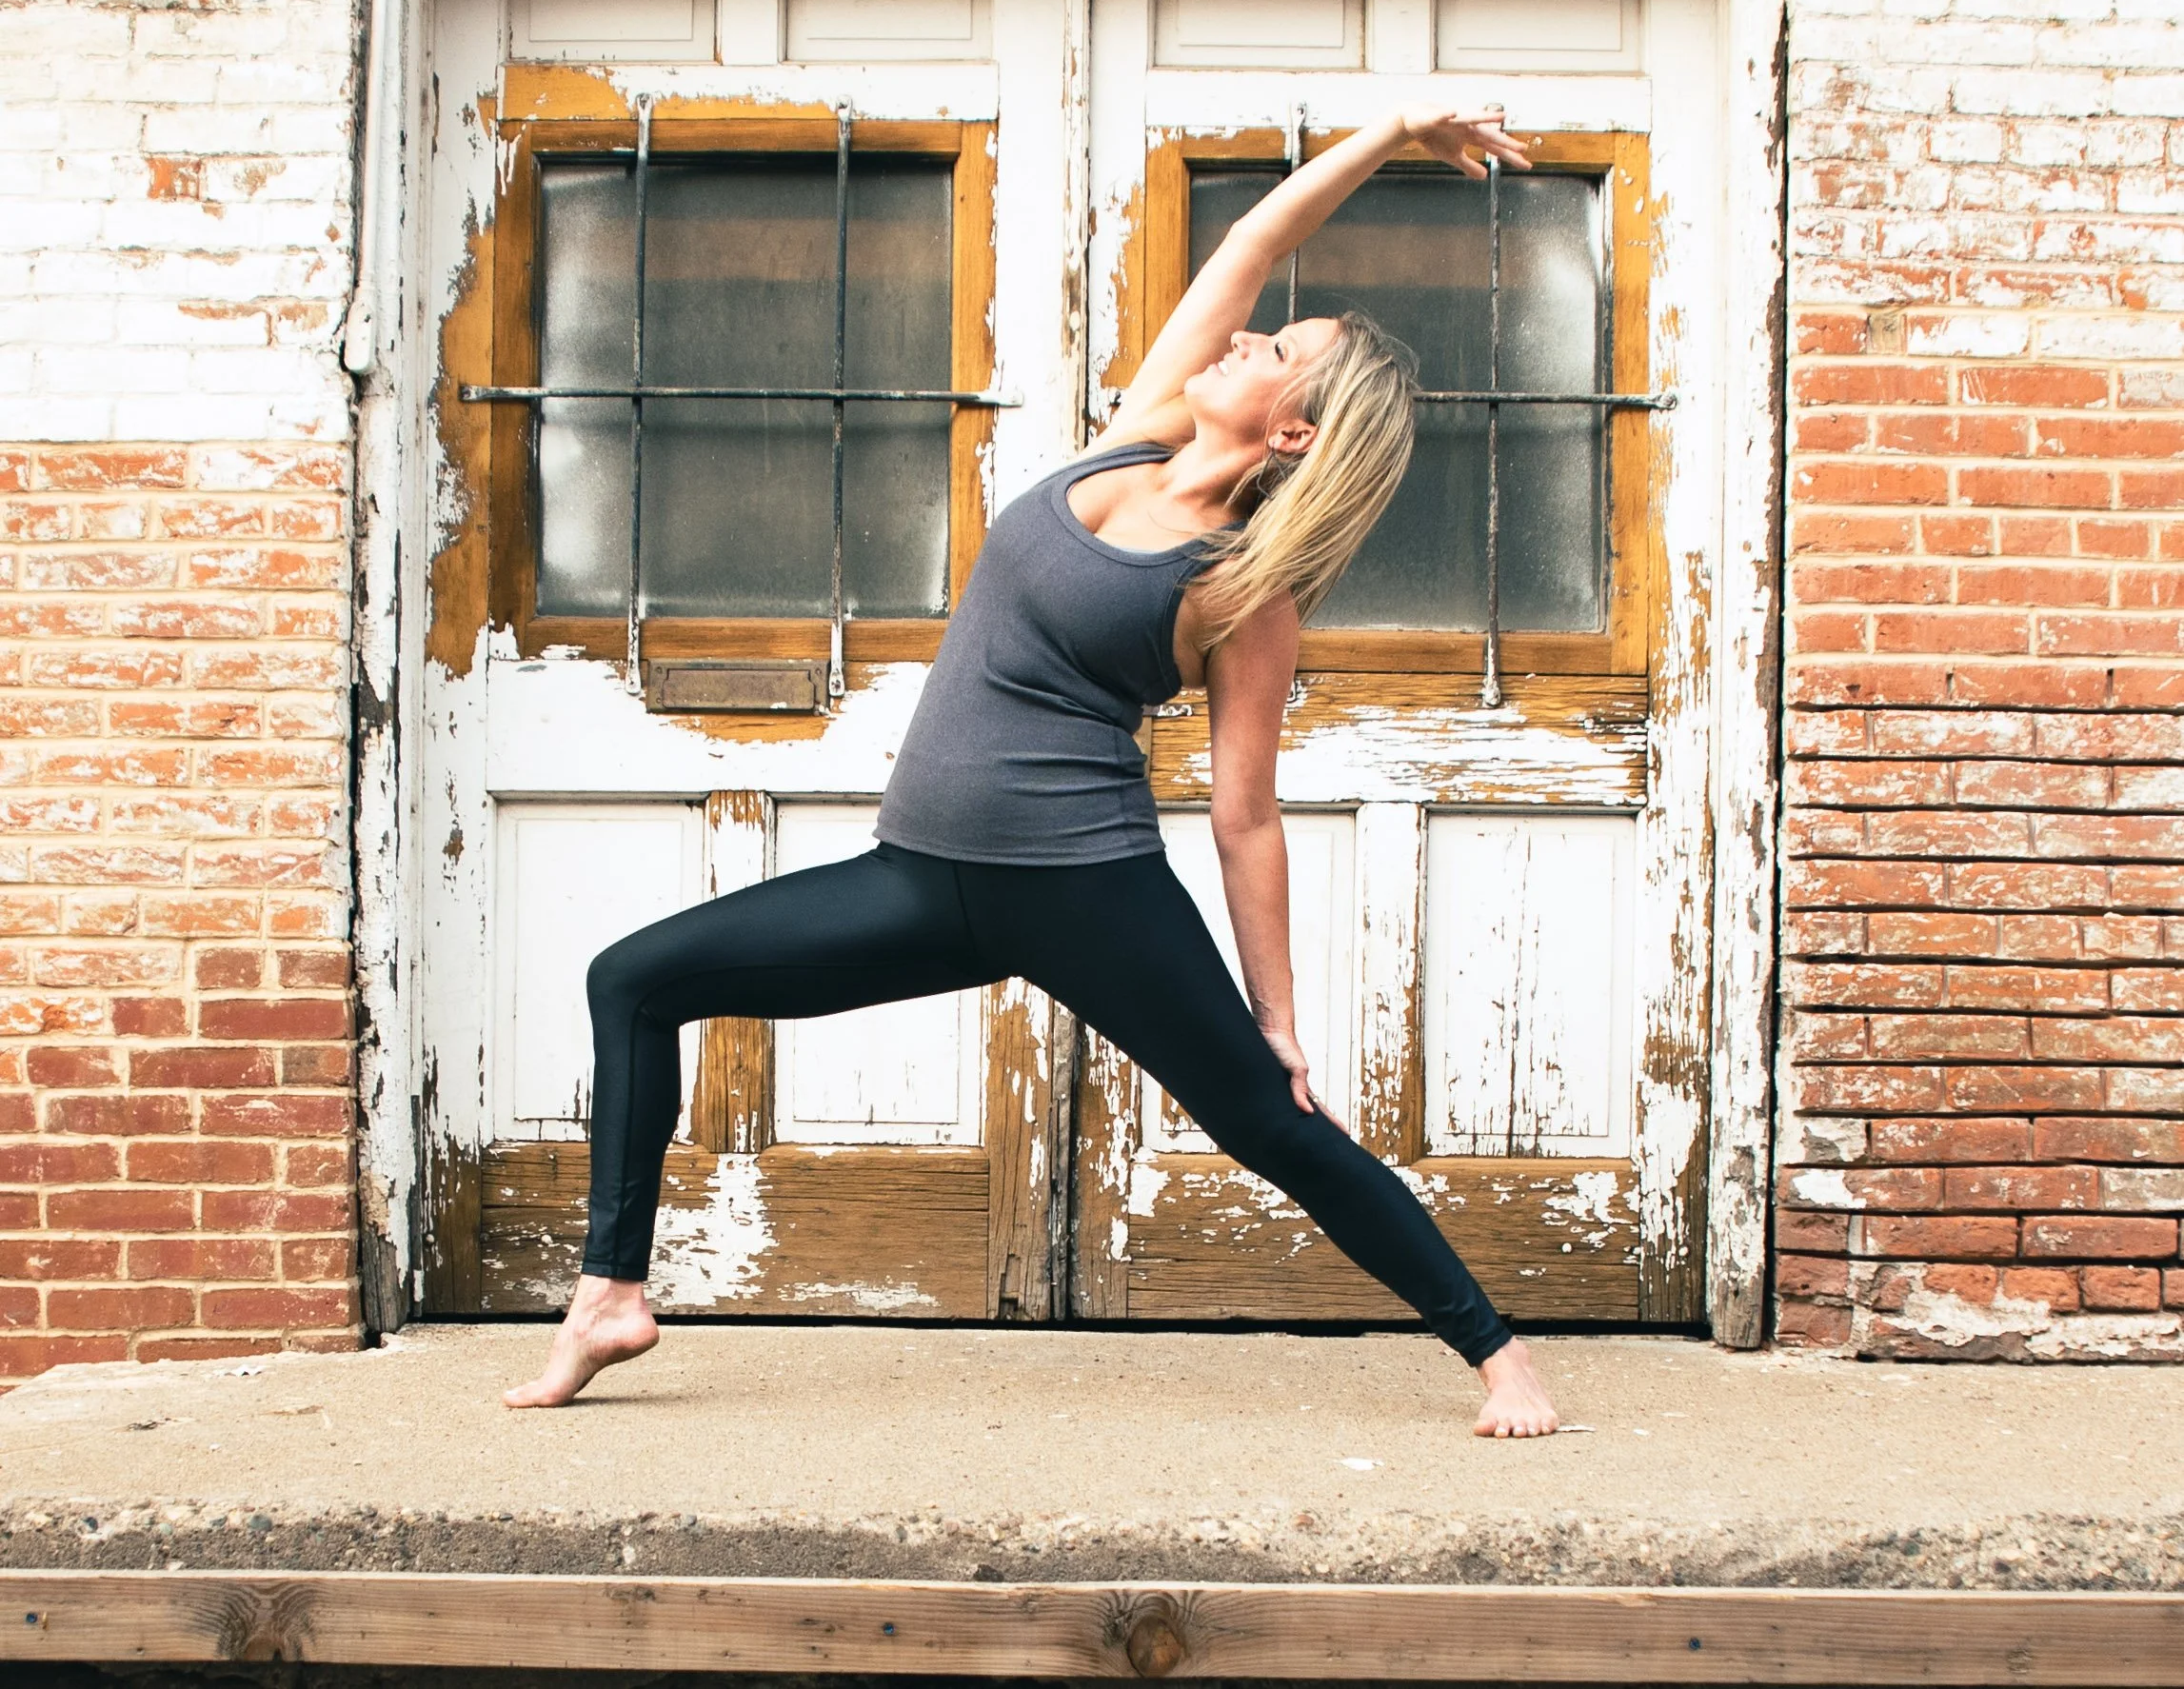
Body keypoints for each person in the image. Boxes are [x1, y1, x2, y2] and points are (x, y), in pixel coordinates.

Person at [506, 102, 1561, 1440]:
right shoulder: (1135, 435)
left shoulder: (1243, 585)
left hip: (1084, 888)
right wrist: (1394, 133)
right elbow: (1248, 238)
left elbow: (1243, 813)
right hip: (923, 874)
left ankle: (1497, 1355)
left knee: (1269, 1123)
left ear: (1293, 433)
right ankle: (609, 1294)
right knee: (634, 979)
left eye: (1275, 351)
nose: (1244, 335)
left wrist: (1276, 1014)